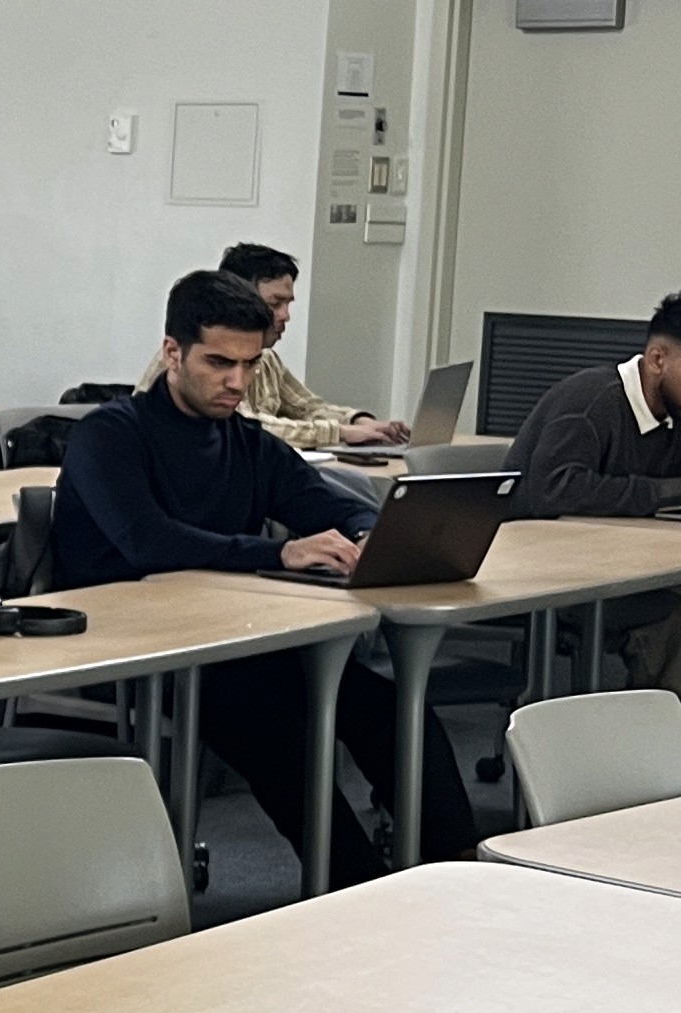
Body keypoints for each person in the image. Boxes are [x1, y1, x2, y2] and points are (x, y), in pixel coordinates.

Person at [55, 267, 476, 880]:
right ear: (172, 352)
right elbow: (147, 542)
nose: (237, 382)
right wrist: (275, 552)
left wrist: (367, 534)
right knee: (279, 732)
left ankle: (457, 868)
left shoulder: (244, 441)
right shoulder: (108, 435)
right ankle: (354, 889)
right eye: (219, 363)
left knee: (385, 707)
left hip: (232, 637)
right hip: (131, 645)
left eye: (250, 366)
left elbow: (333, 503)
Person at [505, 291, 681, 751]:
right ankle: (675, 774)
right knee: (678, 622)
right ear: (657, 358)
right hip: (555, 577)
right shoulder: (590, 402)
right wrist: (678, 489)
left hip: (635, 568)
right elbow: (549, 490)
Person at [133, 241, 405, 452]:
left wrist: (358, 422)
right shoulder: (187, 357)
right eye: (275, 303)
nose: (286, 315)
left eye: (288, 304)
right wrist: (337, 433)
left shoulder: (268, 358)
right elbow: (245, 426)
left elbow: (306, 406)